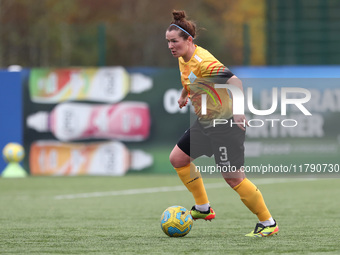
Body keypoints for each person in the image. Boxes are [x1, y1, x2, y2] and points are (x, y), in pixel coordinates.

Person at [165, 10, 279, 237]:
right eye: (168, 41)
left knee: (233, 178)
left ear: (189, 40)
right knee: (178, 159)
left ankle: (268, 223)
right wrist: (184, 94)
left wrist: (238, 112)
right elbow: (190, 79)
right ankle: (203, 208)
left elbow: (235, 81)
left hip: (225, 125)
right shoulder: (182, 58)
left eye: (174, 41)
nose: (170, 46)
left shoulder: (204, 62)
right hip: (205, 122)